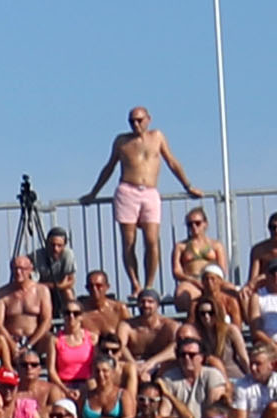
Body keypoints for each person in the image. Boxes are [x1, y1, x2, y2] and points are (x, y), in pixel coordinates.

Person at [82, 106, 206, 295]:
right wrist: (93, 193)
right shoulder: (122, 141)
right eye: (132, 121)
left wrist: (188, 186)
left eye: (139, 120)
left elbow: (172, 162)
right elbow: (109, 167)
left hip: (149, 191)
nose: (136, 124)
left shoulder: (157, 137)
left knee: (151, 240)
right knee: (129, 242)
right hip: (127, 191)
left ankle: (149, 284)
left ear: (148, 119)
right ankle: (135, 283)